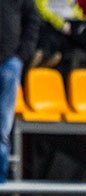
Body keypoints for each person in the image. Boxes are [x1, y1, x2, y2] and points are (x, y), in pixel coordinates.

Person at [1, 0, 38, 184]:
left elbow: (33, 19)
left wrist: (22, 55)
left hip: (9, 64)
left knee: (2, 130)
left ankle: (1, 188)